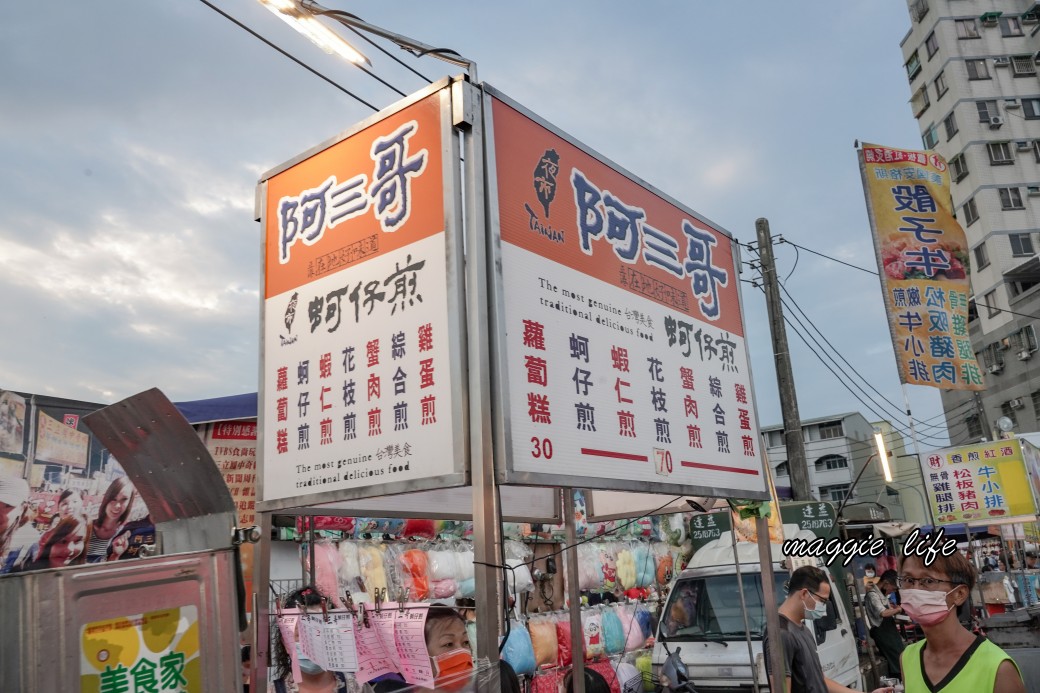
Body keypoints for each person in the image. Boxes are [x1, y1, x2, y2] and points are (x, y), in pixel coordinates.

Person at [899, 549, 1025, 692]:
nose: (916, 590)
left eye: (928, 581)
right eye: (908, 580)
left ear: (959, 594)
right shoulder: (908, 658)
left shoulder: (998, 668)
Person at [765, 565, 893, 693]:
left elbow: (819, 680)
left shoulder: (803, 629)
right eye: (822, 600)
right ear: (804, 593)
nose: (824, 607)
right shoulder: (781, 634)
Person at [272, 586, 349, 693]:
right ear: (285, 642)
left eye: (320, 632)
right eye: (301, 635)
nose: (311, 644)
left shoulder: (356, 688)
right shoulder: (271, 690)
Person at [865, 570, 905, 678]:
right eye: (893, 588)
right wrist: (899, 610)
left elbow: (889, 615)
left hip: (890, 631)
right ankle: (898, 680)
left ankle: (900, 679)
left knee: (902, 656)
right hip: (881, 632)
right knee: (896, 658)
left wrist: (900, 618)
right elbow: (883, 613)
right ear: (886, 583)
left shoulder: (882, 595)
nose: (892, 591)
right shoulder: (872, 595)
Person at [85, 477, 135, 563]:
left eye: (124, 499)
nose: (117, 506)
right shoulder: (86, 527)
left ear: (130, 501)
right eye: (113, 499)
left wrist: (115, 555)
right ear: (107, 497)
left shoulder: (126, 534)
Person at [15, 514, 88, 571]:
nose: (70, 549)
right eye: (63, 541)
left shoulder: (86, 578)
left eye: (78, 541)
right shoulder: (21, 574)